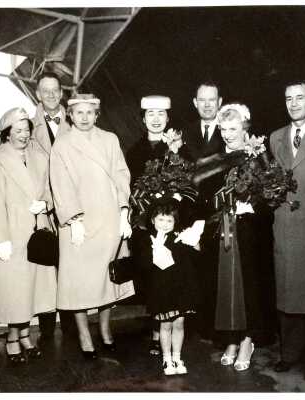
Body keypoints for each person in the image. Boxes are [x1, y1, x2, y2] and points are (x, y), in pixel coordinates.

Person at [49, 93, 134, 359]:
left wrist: (123, 211)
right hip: (79, 221)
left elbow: (121, 175)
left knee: (106, 277)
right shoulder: (62, 145)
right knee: (79, 281)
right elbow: (60, 183)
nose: (84, 118)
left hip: (108, 218)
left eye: (90, 112)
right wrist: (73, 220)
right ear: (70, 116)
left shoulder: (110, 139)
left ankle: (106, 329)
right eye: (79, 112)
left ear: (97, 115)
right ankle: (85, 335)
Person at [0, 107, 57, 364]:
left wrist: (45, 204)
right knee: (16, 290)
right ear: (7, 133)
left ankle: (25, 335)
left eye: (27, 129)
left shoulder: (39, 156)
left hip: (37, 232)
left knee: (33, 290)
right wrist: (0, 239)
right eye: (18, 130)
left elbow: (50, 188)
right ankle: (13, 338)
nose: (24, 134)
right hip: (12, 233)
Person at [212, 103, 275, 371]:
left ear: (245, 128)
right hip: (224, 231)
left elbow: (272, 193)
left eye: (233, 129)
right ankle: (232, 338)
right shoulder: (218, 158)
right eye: (223, 129)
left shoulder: (257, 155)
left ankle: (248, 339)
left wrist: (252, 206)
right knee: (229, 286)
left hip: (251, 232)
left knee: (249, 285)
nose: (228, 134)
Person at [270, 79, 305, 382]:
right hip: (284, 227)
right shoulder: (275, 138)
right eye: (289, 98)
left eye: (299, 97)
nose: (294, 104)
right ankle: (289, 354)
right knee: (287, 293)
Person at [127, 95, 177, 355]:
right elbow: (129, 187)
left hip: (171, 224)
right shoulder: (134, 151)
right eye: (150, 114)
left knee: (169, 279)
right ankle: (156, 328)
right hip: (145, 225)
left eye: (161, 114)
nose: (156, 119)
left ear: (168, 118)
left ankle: (165, 332)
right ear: (143, 119)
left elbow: (188, 184)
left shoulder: (178, 148)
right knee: (150, 279)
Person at [132, 198, 198, 375]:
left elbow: (191, 260)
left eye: (169, 220)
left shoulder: (179, 238)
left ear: (175, 222)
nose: (164, 224)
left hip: (180, 289)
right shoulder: (148, 239)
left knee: (179, 323)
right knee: (165, 325)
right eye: (161, 219)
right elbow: (143, 265)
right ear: (153, 220)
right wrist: (155, 250)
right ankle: (166, 359)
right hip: (161, 290)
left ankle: (177, 357)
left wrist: (195, 243)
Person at [31, 72, 74, 345]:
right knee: (47, 269)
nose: (50, 95)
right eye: (45, 90)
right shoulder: (27, 126)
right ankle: (46, 328)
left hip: (70, 204)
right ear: (37, 94)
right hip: (44, 206)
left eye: (55, 90)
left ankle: (71, 325)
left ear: (61, 93)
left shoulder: (76, 122)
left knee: (70, 265)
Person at [183, 81, 225, 344]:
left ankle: (217, 327)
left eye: (212, 100)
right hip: (191, 213)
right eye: (202, 100)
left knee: (217, 273)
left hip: (219, 213)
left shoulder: (231, 128)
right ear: (195, 103)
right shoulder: (184, 133)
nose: (207, 105)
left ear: (220, 102)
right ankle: (196, 326)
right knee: (194, 273)